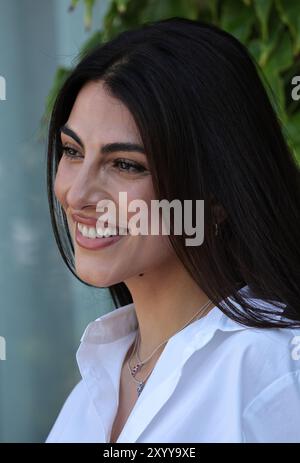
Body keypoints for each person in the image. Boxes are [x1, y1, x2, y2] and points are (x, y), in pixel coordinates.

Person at [45, 17, 300, 443]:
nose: (77, 194)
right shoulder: (96, 381)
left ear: (217, 195)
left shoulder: (276, 376)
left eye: (125, 164)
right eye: (72, 151)